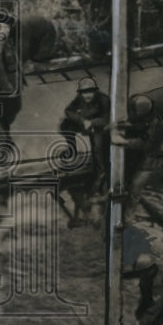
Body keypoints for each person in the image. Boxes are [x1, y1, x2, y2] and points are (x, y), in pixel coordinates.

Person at [59, 77, 111, 220]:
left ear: (95, 92)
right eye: (84, 93)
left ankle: (100, 183)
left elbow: (108, 119)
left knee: (98, 153)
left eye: (90, 92)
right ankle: (72, 149)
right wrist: (83, 121)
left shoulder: (104, 100)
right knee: (65, 125)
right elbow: (68, 111)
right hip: (87, 124)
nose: (87, 95)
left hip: (102, 128)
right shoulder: (80, 99)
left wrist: (93, 123)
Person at [0, 12, 22, 133]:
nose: (7, 29)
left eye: (8, 26)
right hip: (4, 86)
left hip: (9, 83)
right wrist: (6, 86)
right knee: (10, 110)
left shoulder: (2, 38)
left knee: (12, 109)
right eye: (5, 26)